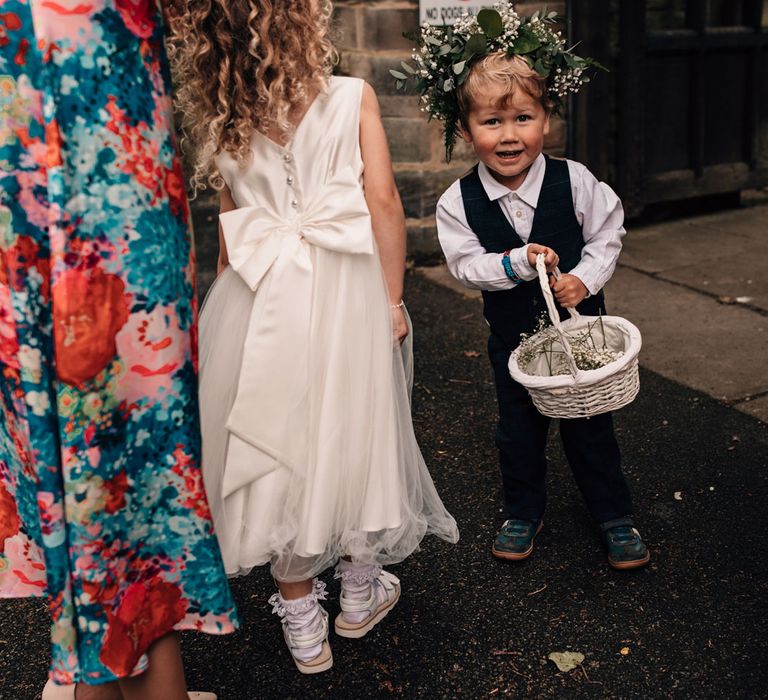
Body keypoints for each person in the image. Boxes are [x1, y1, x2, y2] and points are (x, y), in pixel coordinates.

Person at [169, 0, 459, 676]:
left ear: (216, 45)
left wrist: (223, 316)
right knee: (356, 427)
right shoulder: (352, 96)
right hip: (345, 289)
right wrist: (391, 298)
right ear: (306, 25)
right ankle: (359, 595)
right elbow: (383, 200)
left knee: (280, 441)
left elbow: (230, 233)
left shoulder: (227, 123)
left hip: (261, 293)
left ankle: (303, 621)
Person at [0, 2, 238, 699]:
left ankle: (96, 662)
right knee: (107, 480)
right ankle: (99, 661)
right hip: (45, 230)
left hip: (109, 226)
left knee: (123, 473)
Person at [404, 5, 649, 570]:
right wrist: (513, 264)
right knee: (518, 428)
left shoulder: (576, 180)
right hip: (514, 344)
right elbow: (466, 265)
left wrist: (584, 279)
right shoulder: (456, 203)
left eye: (523, 119)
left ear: (546, 120)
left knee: (591, 426)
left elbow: (609, 232)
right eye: (492, 123)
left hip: (584, 340)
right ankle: (522, 510)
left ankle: (613, 515)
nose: (509, 136)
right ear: (465, 130)